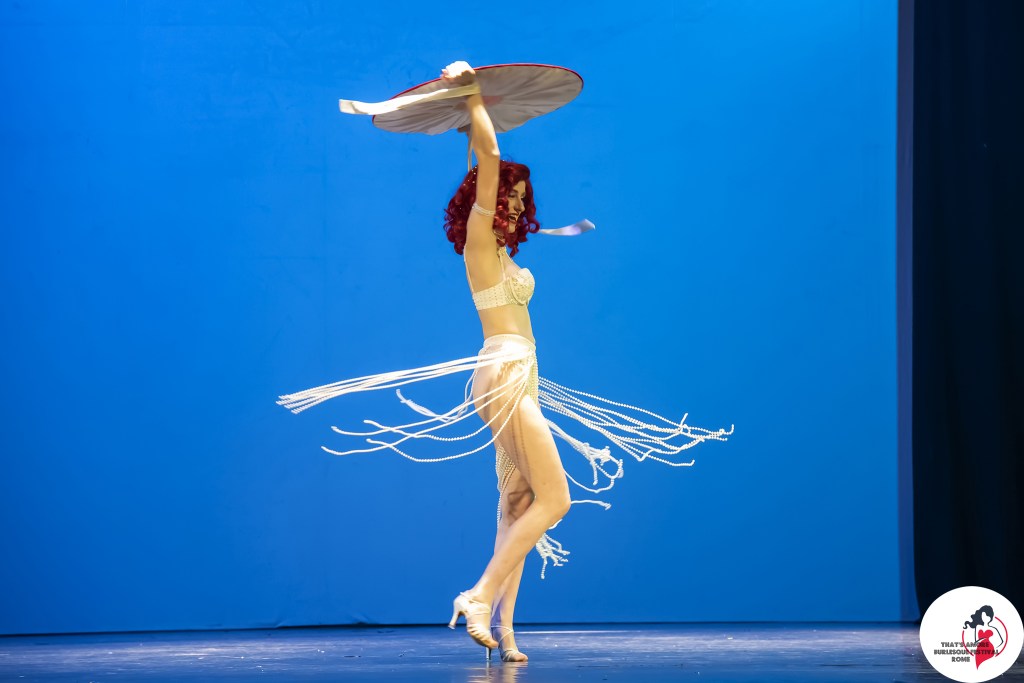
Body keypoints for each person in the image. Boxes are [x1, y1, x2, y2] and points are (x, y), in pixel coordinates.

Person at [277, 60, 732, 663]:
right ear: (483, 201)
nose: (514, 205)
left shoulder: (502, 255)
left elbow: (481, 156)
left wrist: (473, 122)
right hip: (505, 374)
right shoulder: (477, 244)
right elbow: (488, 159)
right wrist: (469, 92)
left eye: (520, 199)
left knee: (518, 506)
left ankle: (506, 632)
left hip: (521, 377)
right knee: (556, 500)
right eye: (505, 197)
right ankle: (478, 594)